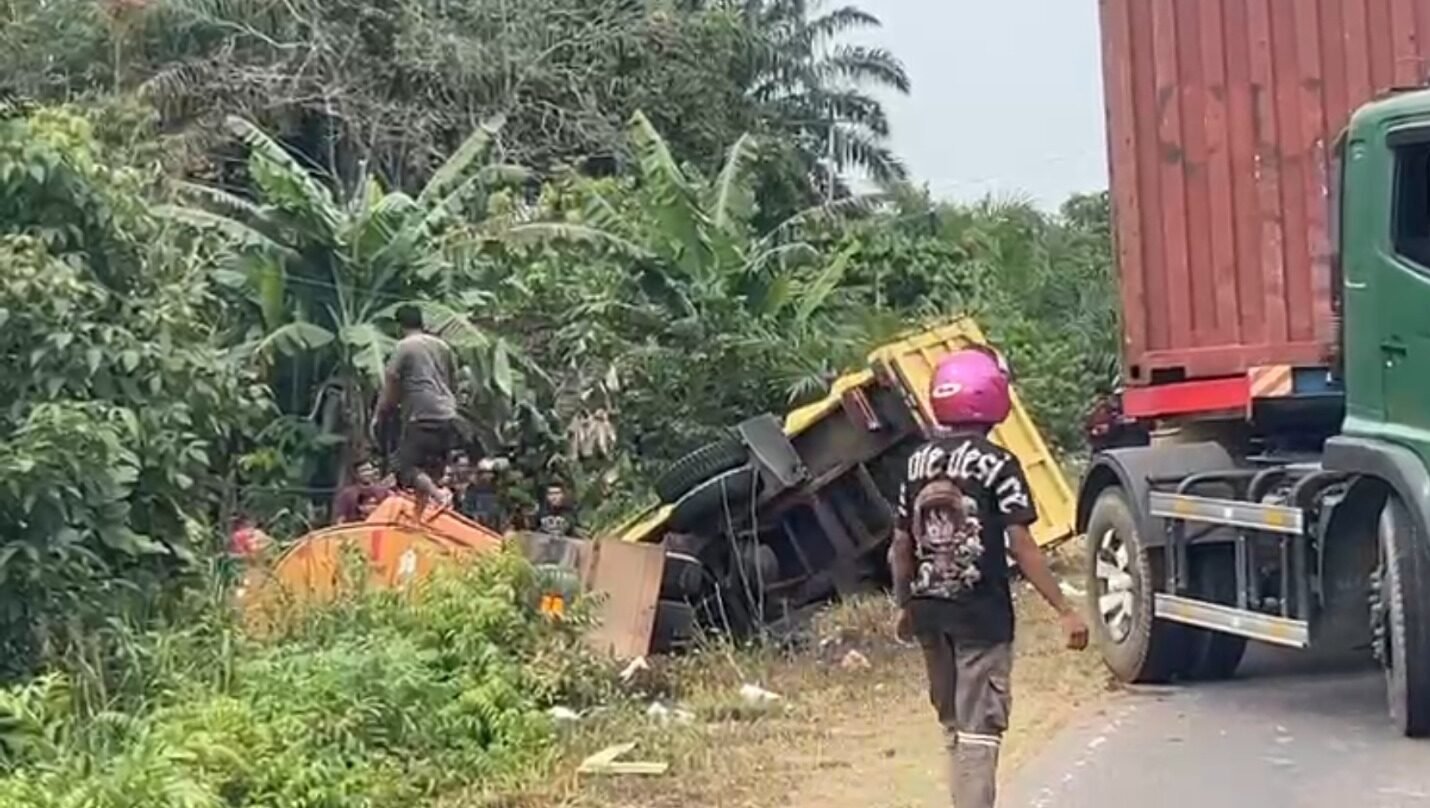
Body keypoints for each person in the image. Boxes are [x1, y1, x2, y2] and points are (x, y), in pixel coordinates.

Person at [887, 347, 1089, 808]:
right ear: (991, 397)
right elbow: (1022, 545)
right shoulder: (997, 463)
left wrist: (903, 605)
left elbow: (900, 544)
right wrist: (1064, 609)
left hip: (930, 613)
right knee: (980, 734)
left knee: (955, 727)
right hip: (980, 616)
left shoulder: (916, 463)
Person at [372, 304, 461, 515]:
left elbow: (391, 384)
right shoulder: (442, 346)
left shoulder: (405, 346)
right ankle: (418, 519)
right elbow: (453, 380)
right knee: (428, 472)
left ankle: (440, 496)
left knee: (403, 467)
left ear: (398, 326)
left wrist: (379, 413)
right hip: (448, 414)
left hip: (422, 414)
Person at [332, 459, 391, 524]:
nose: (367, 473)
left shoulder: (384, 491)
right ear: (356, 474)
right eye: (363, 471)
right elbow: (340, 518)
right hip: (356, 529)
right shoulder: (347, 494)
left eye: (369, 470)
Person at [462, 457, 507, 531]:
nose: (490, 476)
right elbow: (467, 509)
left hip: (496, 528)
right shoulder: (472, 489)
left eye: (492, 473)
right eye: (487, 473)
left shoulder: (499, 489)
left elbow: (502, 510)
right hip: (476, 528)